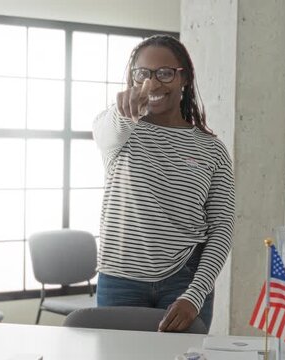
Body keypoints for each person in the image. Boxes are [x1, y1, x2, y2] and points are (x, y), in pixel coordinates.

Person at [92, 34, 235, 333]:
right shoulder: (121, 130)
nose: (152, 84)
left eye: (165, 73)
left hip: (184, 281)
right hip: (119, 282)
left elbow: (222, 229)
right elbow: (106, 132)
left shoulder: (212, 150)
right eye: (142, 74)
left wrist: (195, 295)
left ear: (185, 78)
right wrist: (122, 112)